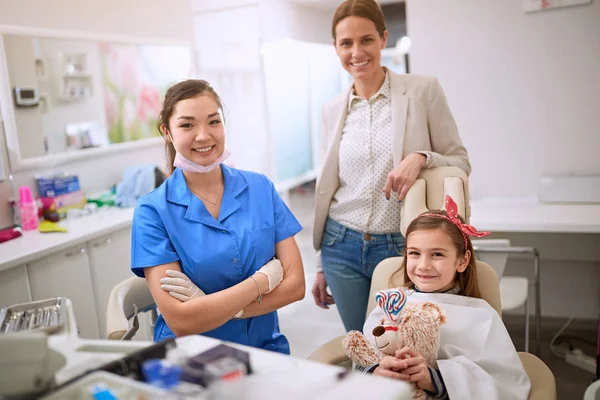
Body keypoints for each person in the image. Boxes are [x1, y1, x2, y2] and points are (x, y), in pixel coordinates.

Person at [311, 0, 471, 333]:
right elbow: (328, 189)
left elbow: (460, 162)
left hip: (403, 247)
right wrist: (320, 265)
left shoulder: (423, 91)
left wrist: (421, 158)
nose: (357, 52)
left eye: (366, 40)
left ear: (383, 38)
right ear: (335, 48)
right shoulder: (331, 108)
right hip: (340, 246)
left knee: (409, 344)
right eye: (346, 43)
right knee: (362, 345)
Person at [130, 79, 305, 354]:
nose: (203, 136)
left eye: (213, 122)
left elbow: (295, 286)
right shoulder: (153, 211)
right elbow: (183, 321)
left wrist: (215, 309)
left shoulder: (260, 188)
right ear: (167, 131)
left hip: (266, 350)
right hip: (192, 357)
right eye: (187, 125)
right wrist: (261, 281)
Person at [360, 196, 531, 399]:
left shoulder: (481, 316)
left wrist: (434, 379)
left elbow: (504, 382)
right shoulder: (388, 307)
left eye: (437, 255)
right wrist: (376, 372)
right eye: (414, 253)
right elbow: (362, 360)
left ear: (462, 260)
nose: (423, 265)